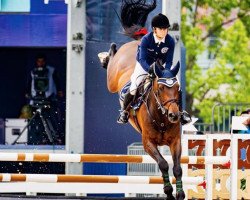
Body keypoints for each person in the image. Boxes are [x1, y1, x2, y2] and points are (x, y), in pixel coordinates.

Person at [117, 13, 191, 125]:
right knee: (134, 85)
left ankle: (181, 113)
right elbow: (142, 60)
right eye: (161, 29)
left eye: (166, 28)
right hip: (144, 66)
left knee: (177, 83)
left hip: (161, 66)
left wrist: (165, 73)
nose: (164, 31)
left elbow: (169, 61)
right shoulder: (146, 40)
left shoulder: (170, 41)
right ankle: (124, 112)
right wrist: (151, 71)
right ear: (154, 29)